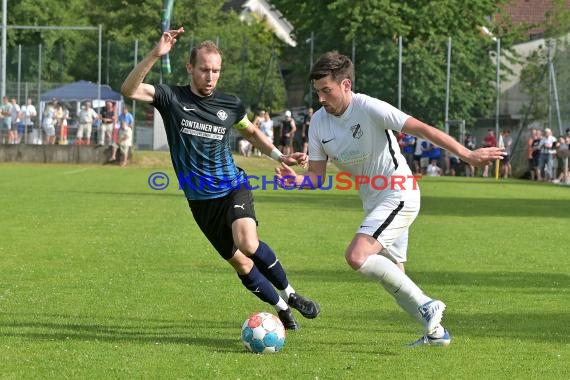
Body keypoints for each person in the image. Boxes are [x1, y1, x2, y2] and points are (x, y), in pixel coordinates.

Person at [275, 51, 505, 345]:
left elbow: (422, 129)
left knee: (357, 256)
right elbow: (317, 177)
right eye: (318, 91)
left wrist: (467, 154)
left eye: (326, 91)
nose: (320, 98)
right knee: (395, 277)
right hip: (375, 202)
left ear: (346, 85)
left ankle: (428, 304)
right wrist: (294, 181)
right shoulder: (319, 122)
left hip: (399, 193)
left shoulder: (369, 107)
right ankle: (435, 333)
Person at [120, 27, 319, 330]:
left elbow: (250, 131)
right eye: (204, 70)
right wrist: (155, 55)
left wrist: (279, 156)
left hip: (232, 187)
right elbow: (129, 90)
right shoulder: (171, 97)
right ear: (190, 68)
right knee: (240, 262)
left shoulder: (230, 105)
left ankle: (290, 295)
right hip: (201, 202)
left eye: (216, 71)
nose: (210, 77)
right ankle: (280, 309)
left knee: (247, 242)